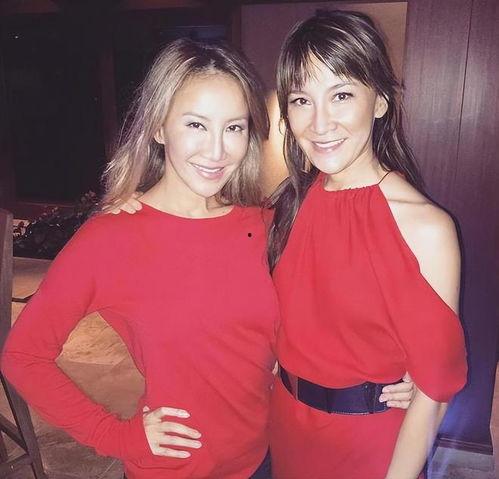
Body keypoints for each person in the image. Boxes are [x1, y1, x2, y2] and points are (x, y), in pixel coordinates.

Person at [1, 38, 277, 479]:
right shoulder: (111, 239)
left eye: (234, 127)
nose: (217, 150)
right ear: (159, 128)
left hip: (261, 458)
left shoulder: (263, 224)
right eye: (196, 124)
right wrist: (114, 435)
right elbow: (23, 355)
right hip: (173, 470)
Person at [266, 10, 468, 479]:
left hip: (371, 448)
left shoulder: (426, 227)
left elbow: (435, 392)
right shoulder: (290, 203)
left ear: (379, 101)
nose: (319, 123)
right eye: (302, 100)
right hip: (288, 428)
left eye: (341, 95)